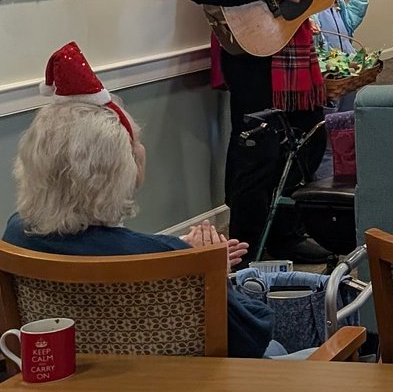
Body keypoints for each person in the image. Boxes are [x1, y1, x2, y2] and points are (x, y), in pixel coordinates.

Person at [188, 0, 392, 261]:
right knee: (256, 154)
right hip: (253, 57)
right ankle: (246, 247)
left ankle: (287, 231)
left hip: (285, 54)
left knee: (305, 142)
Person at [7, 43, 275, 358]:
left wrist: (181, 250)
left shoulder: (16, 233)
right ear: (119, 169)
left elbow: (101, 250)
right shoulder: (170, 260)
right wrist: (211, 272)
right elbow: (252, 336)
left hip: (62, 373)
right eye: (134, 142)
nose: (141, 149)